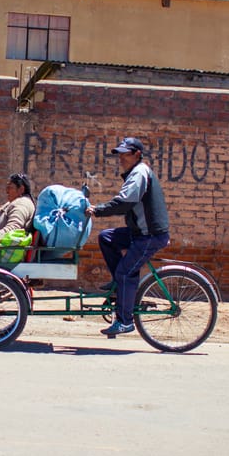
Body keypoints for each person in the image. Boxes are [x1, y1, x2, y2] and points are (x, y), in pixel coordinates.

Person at [85, 138, 170, 337]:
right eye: (120, 154)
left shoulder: (139, 173)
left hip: (149, 236)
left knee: (126, 272)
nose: (121, 158)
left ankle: (125, 321)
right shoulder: (136, 172)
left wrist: (98, 210)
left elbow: (124, 202)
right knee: (107, 237)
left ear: (137, 154)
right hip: (139, 233)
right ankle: (119, 285)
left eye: (125, 154)